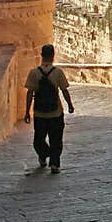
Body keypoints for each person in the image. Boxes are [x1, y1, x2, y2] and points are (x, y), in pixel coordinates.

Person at [24, 44, 74, 173]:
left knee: (38, 140)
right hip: (55, 112)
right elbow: (64, 90)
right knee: (56, 139)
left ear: (41, 55)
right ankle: (54, 163)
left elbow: (30, 93)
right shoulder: (58, 72)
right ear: (53, 55)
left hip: (39, 113)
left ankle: (43, 155)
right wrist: (69, 105)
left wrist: (27, 112)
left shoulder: (34, 73)